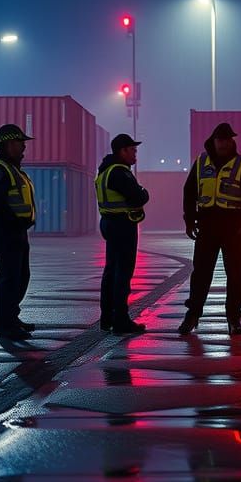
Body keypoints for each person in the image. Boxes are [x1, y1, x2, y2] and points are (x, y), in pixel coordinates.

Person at [178, 122, 241, 336]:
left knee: (235, 276)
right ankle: (192, 315)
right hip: (207, 226)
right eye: (220, 139)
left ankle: (234, 319)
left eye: (227, 139)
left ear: (232, 141)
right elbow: (189, 193)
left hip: (234, 228)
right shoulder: (201, 163)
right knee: (201, 275)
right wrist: (189, 220)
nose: (223, 143)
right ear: (213, 141)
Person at [0, 124, 37, 340]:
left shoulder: (12, 168)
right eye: (20, 142)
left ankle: (11, 318)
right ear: (7, 144)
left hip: (17, 231)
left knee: (20, 276)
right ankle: (4, 325)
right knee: (8, 278)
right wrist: (15, 223)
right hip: (6, 232)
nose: (24, 146)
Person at [95, 133, 149, 335]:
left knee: (111, 271)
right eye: (132, 150)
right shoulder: (119, 172)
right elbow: (139, 196)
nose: (135, 154)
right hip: (122, 225)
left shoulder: (104, 171)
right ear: (122, 151)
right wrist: (143, 192)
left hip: (109, 223)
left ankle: (107, 317)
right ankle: (121, 320)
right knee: (122, 274)